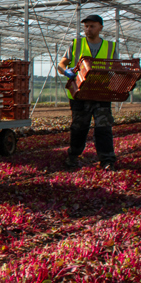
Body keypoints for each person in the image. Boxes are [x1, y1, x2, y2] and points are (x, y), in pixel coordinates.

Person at [57, 14, 119, 169]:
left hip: (101, 93)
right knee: (78, 127)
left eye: (92, 26)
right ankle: (73, 156)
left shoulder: (110, 47)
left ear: (100, 28)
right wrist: (66, 71)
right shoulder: (76, 44)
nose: (88, 29)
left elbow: (117, 68)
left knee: (103, 128)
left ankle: (107, 160)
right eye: (86, 26)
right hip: (80, 93)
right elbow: (61, 64)